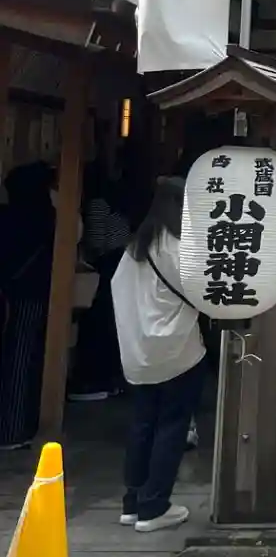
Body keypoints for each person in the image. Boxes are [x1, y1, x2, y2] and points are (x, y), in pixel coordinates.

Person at [110, 177, 206, 531]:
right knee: (172, 426)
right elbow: (203, 291)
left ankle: (132, 503)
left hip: (138, 353)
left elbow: (117, 289)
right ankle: (154, 506)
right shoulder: (179, 248)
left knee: (142, 424)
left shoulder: (135, 246)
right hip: (177, 351)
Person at [0, 162, 56, 451]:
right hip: (33, 294)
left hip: (10, 293)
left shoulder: (8, 216)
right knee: (23, 361)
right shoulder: (45, 217)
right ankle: (13, 429)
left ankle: (12, 427)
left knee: (16, 359)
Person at [69, 162, 130, 403]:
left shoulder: (97, 204)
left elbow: (95, 241)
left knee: (98, 324)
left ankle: (94, 378)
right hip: (118, 264)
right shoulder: (116, 205)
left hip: (105, 266)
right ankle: (108, 377)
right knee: (110, 324)